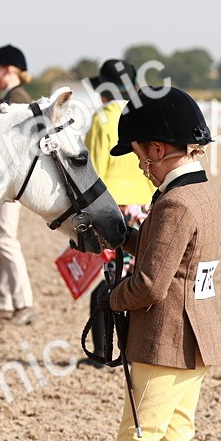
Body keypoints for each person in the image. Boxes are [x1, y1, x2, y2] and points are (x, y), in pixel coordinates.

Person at [89, 85, 221, 441]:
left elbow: (150, 284)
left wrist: (109, 300)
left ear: (157, 148)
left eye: (137, 155)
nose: (140, 167)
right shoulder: (199, 194)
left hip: (163, 342)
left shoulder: (174, 204)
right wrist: (119, 237)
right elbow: (166, 256)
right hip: (195, 341)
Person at [84, 60, 156, 363]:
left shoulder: (102, 119)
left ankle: (102, 352)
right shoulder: (146, 115)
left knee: (107, 281)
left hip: (112, 208)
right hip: (145, 204)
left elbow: (91, 170)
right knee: (137, 276)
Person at [0, 44, 35, 325]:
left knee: (5, 241)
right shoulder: (11, 97)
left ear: (8, 70)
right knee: (1, 241)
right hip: (5, 180)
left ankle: (24, 303)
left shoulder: (16, 100)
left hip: (8, 180)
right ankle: (4, 303)